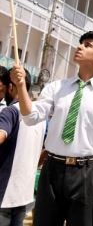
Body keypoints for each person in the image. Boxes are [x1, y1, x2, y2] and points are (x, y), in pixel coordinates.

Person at [10, 32, 93, 226]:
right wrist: (21, 87)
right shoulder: (55, 87)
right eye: (80, 43)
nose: (80, 47)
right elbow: (31, 117)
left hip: (88, 171)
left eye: (87, 45)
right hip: (53, 168)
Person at [0, 70, 45, 226]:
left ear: (11, 87)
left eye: (4, 88)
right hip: (24, 194)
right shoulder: (40, 117)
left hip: (4, 195)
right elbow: (44, 153)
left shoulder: (9, 111)